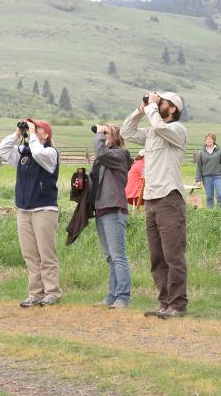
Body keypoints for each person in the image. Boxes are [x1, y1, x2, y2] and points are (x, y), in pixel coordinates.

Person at [121, 91, 188, 319]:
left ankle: (178, 304)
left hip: (169, 197)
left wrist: (151, 107)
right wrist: (140, 111)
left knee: (173, 255)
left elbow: (160, 128)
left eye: (163, 102)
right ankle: (164, 303)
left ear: (173, 109)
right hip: (150, 199)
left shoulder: (177, 130)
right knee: (157, 257)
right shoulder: (152, 131)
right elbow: (126, 132)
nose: (158, 104)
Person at [0, 118, 62, 307]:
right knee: (30, 255)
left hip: (44, 209)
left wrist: (32, 135)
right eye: (31, 128)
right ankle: (35, 293)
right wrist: (17, 134)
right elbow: (2, 150)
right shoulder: (24, 152)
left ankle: (52, 292)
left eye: (37, 128)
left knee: (46, 254)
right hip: (24, 209)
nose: (31, 130)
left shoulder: (50, 153)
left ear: (46, 134)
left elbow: (38, 153)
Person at [92, 124, 133, 308]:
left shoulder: (120, 154)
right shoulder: (106, 158)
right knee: (110, 257)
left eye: (106, 133)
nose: (101, 135)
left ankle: (123, 297)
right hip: (101, 209)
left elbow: (101, 153)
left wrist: (99, 134)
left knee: (118, 256)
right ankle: (112, 295)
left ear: (115, 136)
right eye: (102, 133)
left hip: (114, 209)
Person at [195, 133, 221, 209]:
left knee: (220, 194)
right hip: (206, 177)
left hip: (218, 176)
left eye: (209, 139)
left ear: (213, 140)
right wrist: (198, 179)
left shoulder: (220, 151)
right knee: (209, 197)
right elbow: (198, 166)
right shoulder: (201, 152)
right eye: (206, 139)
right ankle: (211, 212)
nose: (208, 140)